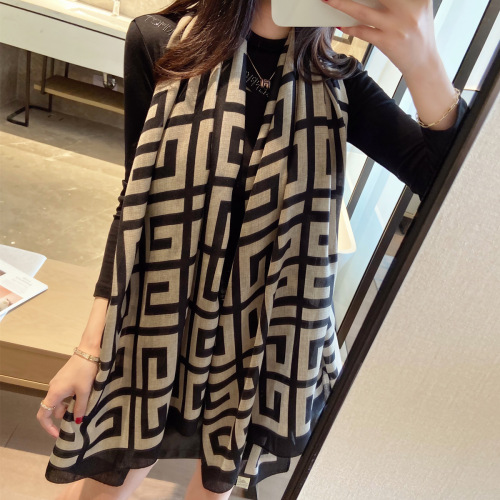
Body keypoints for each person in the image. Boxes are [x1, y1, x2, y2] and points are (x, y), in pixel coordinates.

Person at [37, 1, 467, 499]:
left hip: (262, 332)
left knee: (218, 479)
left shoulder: (338, 84)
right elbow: (133, 205)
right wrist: (89, 349)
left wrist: (423, 61)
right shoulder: (162, 44)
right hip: (165, 317)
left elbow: (445, 185)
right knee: (114, 475)